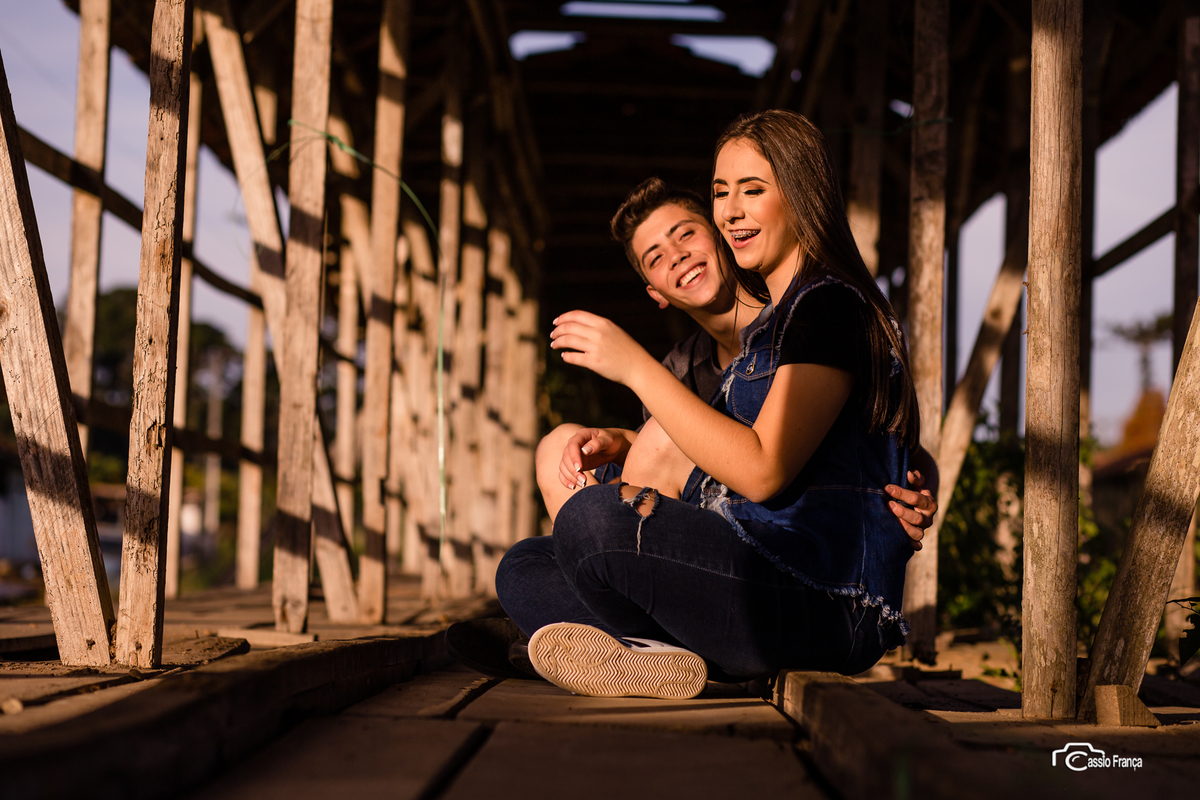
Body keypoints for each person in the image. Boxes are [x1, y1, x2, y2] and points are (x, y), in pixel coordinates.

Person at [500, 109, 923, 700]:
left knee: (591, 525)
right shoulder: (782, 321)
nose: (732, 209)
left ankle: (617, 647)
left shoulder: (828, 307)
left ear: (801, 195)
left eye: (753, 190)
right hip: (761, 570)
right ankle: (655, 656)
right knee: (523, 565)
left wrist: (634, 368)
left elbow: (763, 468)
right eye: (723, 192)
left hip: (824, 600)